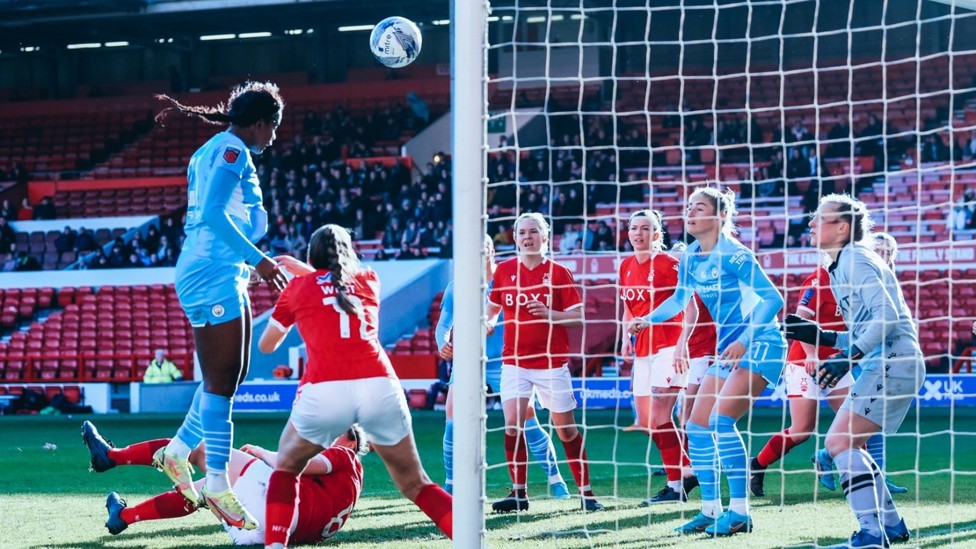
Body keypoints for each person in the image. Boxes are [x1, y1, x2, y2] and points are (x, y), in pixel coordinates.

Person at [258, 225, 452, 548]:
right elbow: (335, 286)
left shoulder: (297, 289)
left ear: (311, 255)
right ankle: (472, 540)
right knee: (416, 483)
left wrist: (299, 280)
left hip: (325, 388)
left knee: (285, 468)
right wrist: (308, 274)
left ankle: (275, 545)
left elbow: (267, 346)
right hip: (379, 385)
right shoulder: (370, 281)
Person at [151, 81, 289, 531]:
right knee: (222, 384)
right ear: (262, 121)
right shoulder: (233, 152)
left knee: (230, 373)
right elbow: (212, 214)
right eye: (274, 126)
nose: (274, 136)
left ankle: (176, 451)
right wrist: (260, 260)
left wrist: (248, 254)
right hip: (212, 268)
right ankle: (215, 481)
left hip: (220, 267)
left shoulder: (211, 149)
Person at [628, 188, 787, 536]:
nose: (689, 212)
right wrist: (648, 320)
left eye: (698, 207)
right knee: (697, 426)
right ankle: (710, 510)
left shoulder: (736, 256)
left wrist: (745, 341)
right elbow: (679, 298)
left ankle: (741, 513)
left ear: (719, 217)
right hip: (728, 349)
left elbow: (773, 299)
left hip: (761, 344)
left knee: (720, 421)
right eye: (687, 207)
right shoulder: (691, 257)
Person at [785, 196, 920, 547]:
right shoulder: (842, 263)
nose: (811, 223)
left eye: (820, 218)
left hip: (893, 360)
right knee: (850, 442)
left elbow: (887, 319)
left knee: (838, 442)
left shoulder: (856, 259)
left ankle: (872, 534)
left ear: (842, 227)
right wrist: (823, 336)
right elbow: (867, 327)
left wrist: (848, 356)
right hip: (887, 360)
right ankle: (890, 526)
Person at [80, 421, 367, 545]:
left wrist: (259, 451)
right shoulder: (354, 483)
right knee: (206, 489)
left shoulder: (344, 455)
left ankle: (111, 456)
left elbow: (293, 464)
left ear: (351, 441)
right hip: (261, 535)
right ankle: (124, 516)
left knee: (195, 447)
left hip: (276, 511)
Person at [486, 212, 603, 513]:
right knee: (512, 426)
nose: (528, 237)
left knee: (565, 430)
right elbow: (492, 309)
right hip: (514, 361)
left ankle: (587, 493)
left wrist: (550, 313)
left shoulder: (560, 272)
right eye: (522, 232)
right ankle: (518, 494)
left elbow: (578, 318)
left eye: (534, 231)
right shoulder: (504, 271)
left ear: (546, 237)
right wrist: (485, 323)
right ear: (514, 238)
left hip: (551, 364)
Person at [436, 234, 570, 498]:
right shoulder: (457, 286)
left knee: (527, 422)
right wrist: (443, 342)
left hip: (506, 361)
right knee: (452, 423)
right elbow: (444, 323)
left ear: (492, 250)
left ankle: (556, 481)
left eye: (482, 248)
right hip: (468, 362)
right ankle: (451, 485)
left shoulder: (511, 278)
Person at [748, 263, 852, 497]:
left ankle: (861, 480)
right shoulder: (819, 279)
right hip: (804, 363)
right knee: (803, 430)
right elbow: (798, 321)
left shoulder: (856, 279)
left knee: (855, 420)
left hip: (837, 363)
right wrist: (812, 354)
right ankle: (757, 465)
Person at [617, 210, 700, 505]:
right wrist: (626, 337)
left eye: (645, 228)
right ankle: (687, 471)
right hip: (642, 351)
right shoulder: (625, 265)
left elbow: (691, 309)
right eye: (633, 228)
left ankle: (676, 486)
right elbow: (628, 306)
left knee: (660, 416)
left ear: (657, 234)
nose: (638, 233)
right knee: (648, 420)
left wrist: (681, 346)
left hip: (669, 348)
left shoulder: (670, 263)